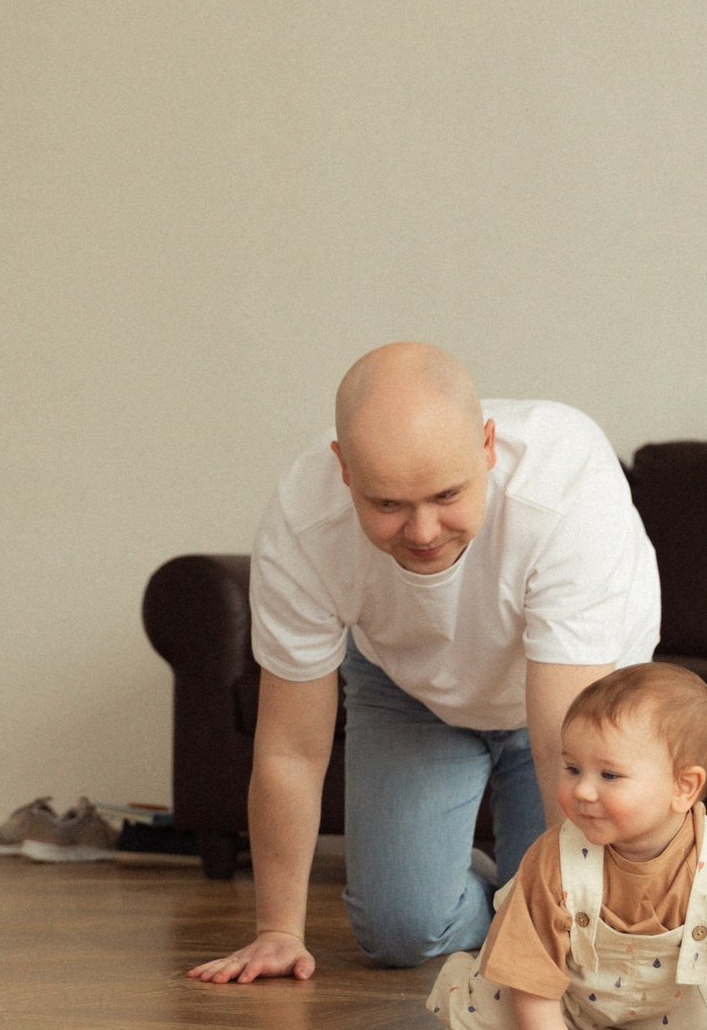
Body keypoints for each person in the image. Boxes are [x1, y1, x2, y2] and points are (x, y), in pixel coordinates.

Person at [189, 343, 660, 984]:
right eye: (388, 505)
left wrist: (577, 935)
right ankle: (490, 886)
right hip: (409, 685)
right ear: (345, 472)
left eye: (446, 494)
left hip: (572, 706)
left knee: (558, 919)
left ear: (488, 447)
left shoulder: (566, 487)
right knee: (399, 933)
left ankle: (519, 891)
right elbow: (290, 751)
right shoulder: (304, 523)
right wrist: (278, 931)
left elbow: (563, 743)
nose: (423, 530)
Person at [428, 663, 707, 1030]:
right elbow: (530, 964)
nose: (582, 790)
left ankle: (677, 1003)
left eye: (609, 775)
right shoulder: (553, 859)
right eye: (572, 768)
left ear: (684, 788)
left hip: (658, 1005)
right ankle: (463, 982)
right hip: (554, 994)